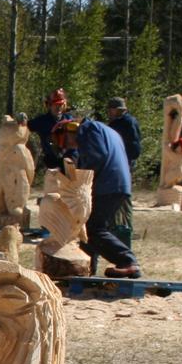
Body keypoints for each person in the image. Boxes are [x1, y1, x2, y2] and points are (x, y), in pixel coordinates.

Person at [56, 114, 141, 279]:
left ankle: (127, 261)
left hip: (107, 185)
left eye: (65, 141)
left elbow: (97, 157)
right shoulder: (103, 129)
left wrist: (77, 177)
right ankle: (87, 267)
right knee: (88, 227)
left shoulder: (88, 129)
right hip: (116, 183)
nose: (68, 146)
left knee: (93, 229)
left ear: (70, 130)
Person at [27, 88, 72, 168]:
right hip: (51, 162)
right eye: (55, 105)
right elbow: (24, 127)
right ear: (49, 105)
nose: (58, 107)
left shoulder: (70, 120)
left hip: (69, 160)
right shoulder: (41, 121)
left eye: (60, 105)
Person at [105, 97, 141, 168]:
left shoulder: (128, 122)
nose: (109, 112)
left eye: (110, 109)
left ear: (117, 109)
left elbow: (133, 145)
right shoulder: (115, 122)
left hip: (124, 160)